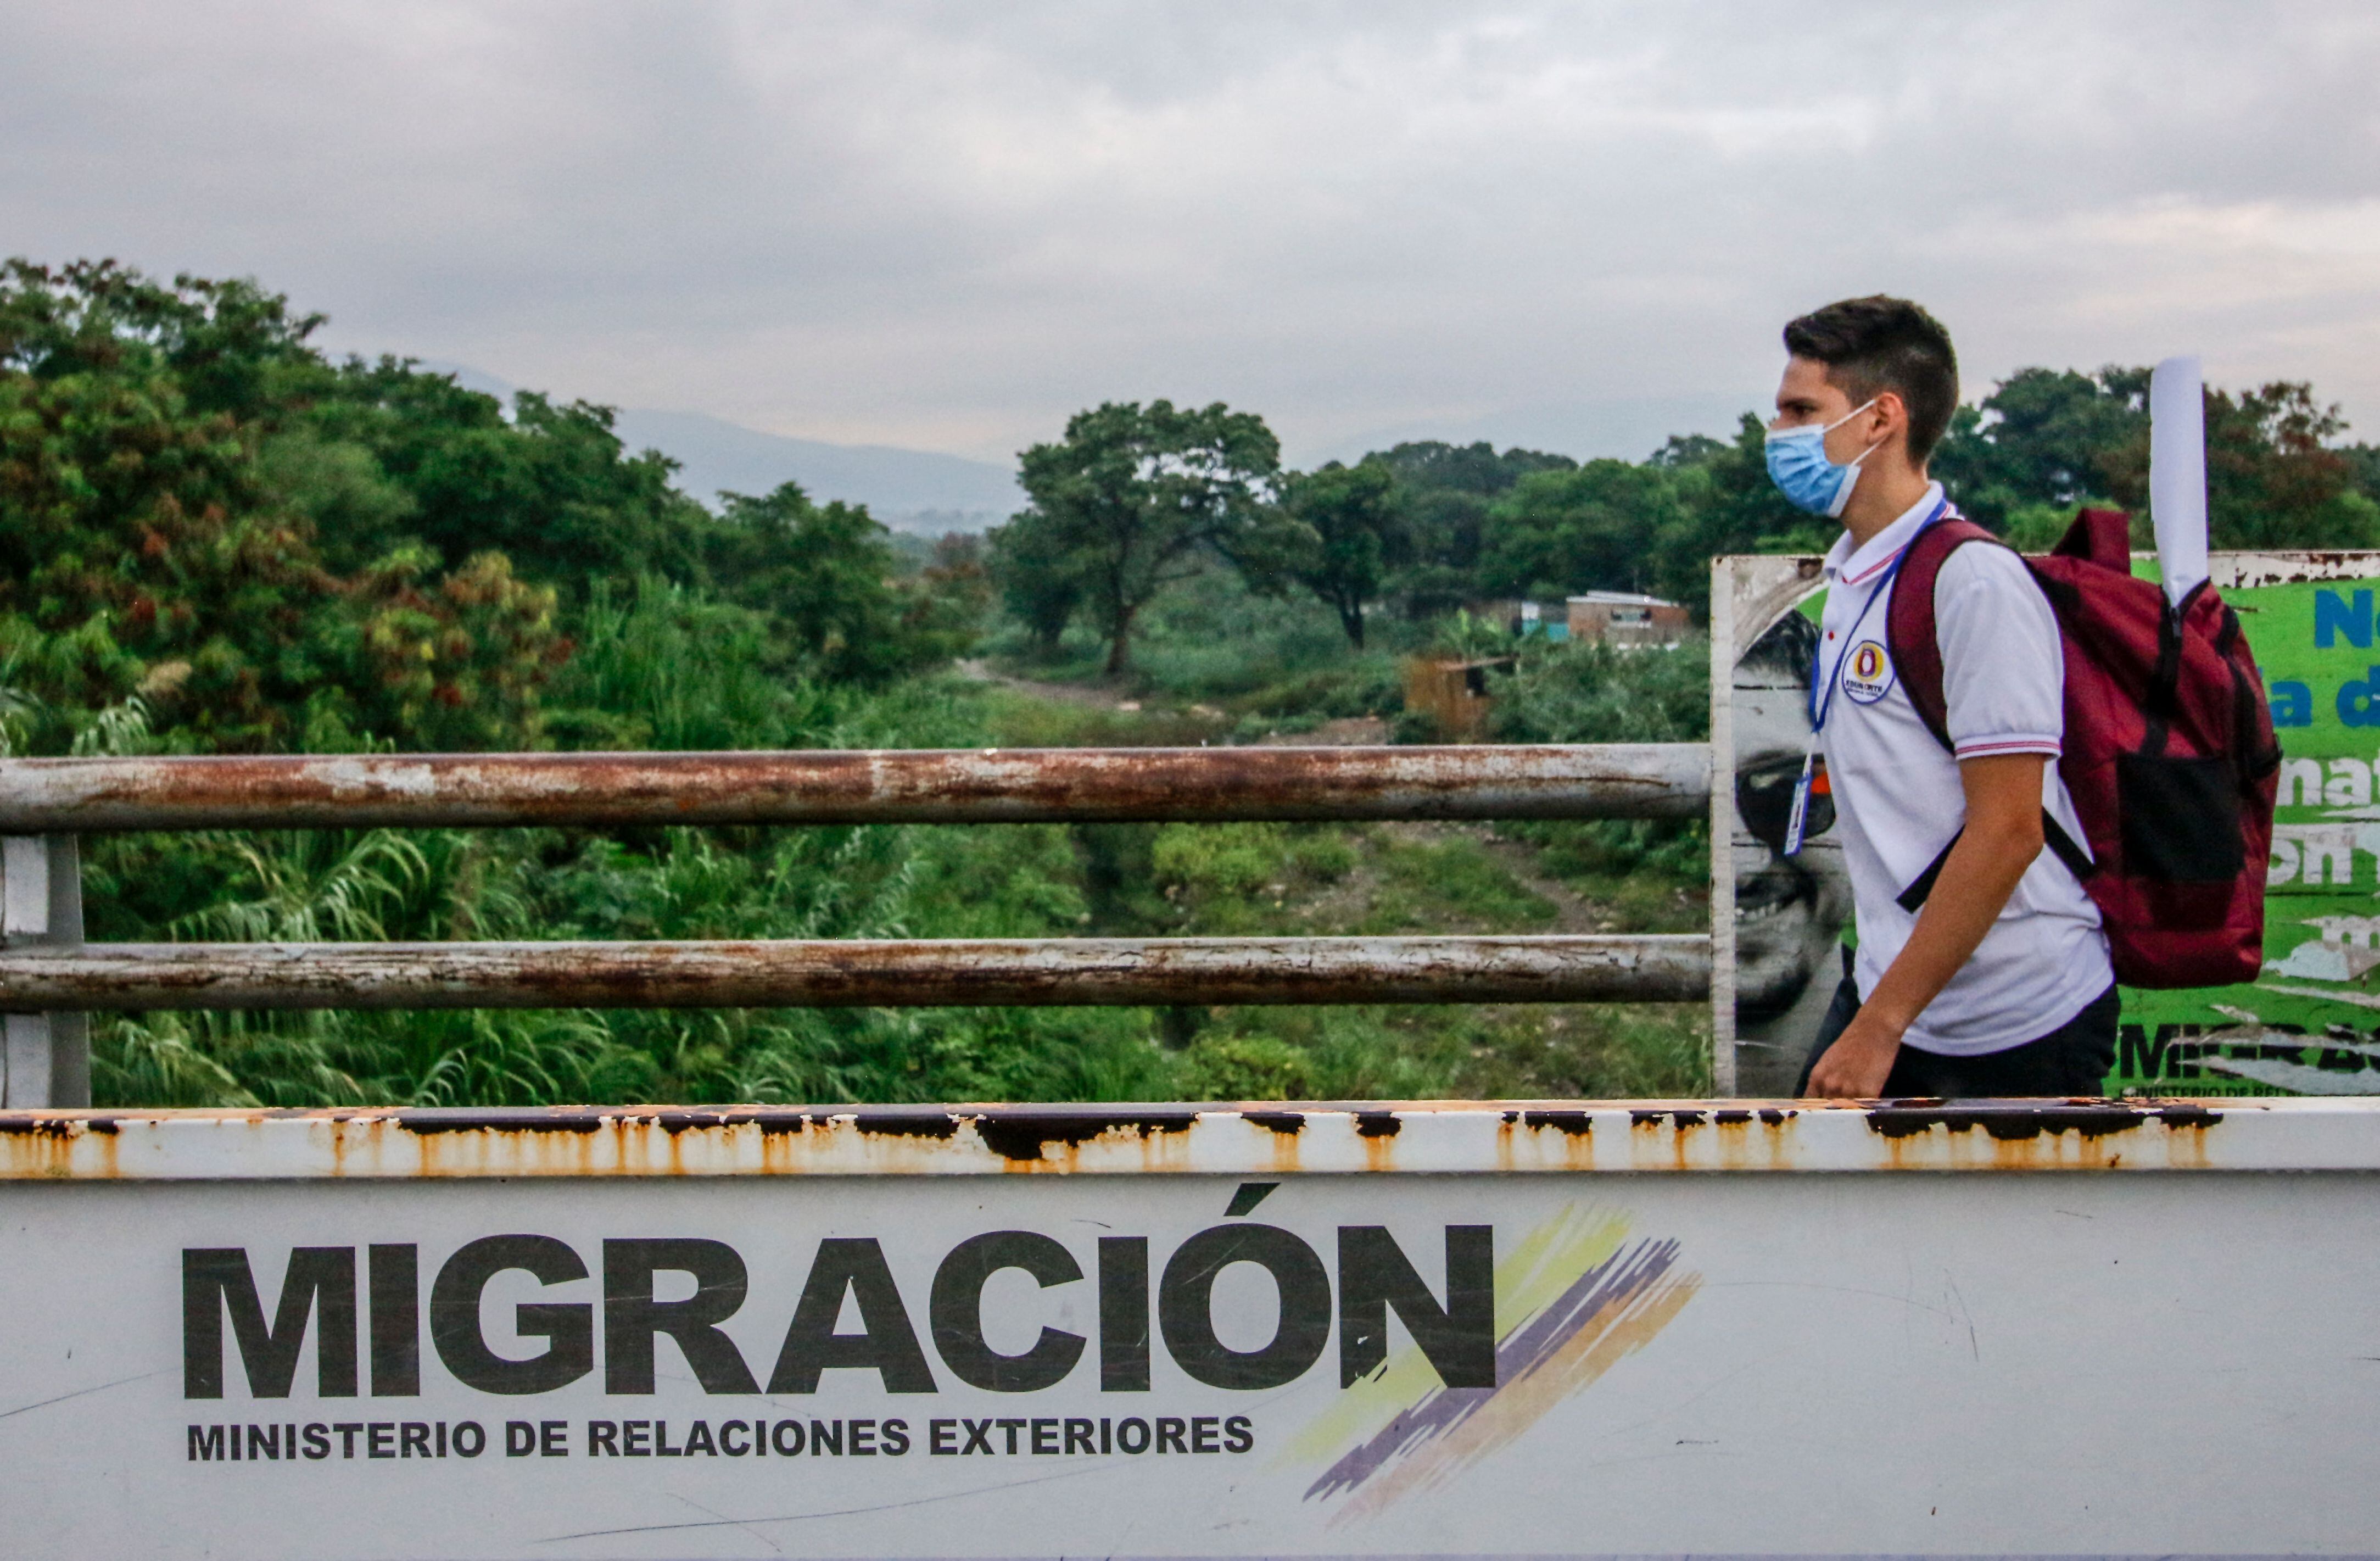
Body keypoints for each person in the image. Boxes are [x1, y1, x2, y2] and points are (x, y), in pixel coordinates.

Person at [1769, 296, 2117, 1099]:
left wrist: (1877, 1026)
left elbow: (2007, 831)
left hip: (2015, 1018)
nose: (1776, 432)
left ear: (1878, 418)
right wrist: (1884, 1009)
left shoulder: (1972, 582)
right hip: (1904, 993)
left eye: (1799, 409)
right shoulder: (1855, 574)